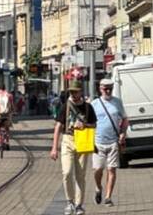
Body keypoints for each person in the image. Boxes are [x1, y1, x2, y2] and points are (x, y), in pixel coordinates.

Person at [50, 83, 97, 215]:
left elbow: (94, 124)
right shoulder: (65, 106)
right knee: (67, 172)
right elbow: (58, 127)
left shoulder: (88, 107)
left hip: (82, 142)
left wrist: (85, 125)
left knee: (80, 175)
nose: (73, 95)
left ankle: (79, 205)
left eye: (75, 92)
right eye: (71, 93)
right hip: (68, 140)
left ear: (80, 92)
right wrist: (54, 148)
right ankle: (69, 201)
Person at [90, 78, 128, 207]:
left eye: (110, 88)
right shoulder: (94, 104)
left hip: (113, 142)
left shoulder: (117, 102)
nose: (107, 91)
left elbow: (125, 119)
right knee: (98, 169)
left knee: (111, 169)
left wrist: (123, 133)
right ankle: (98, 187)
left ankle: (108, 197)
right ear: (100, 89)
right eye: (105, 88)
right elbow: (89, 122)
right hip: (98, 142)